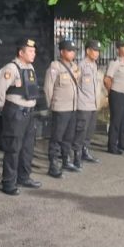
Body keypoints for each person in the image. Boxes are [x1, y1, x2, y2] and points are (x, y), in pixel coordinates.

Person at [0, 37, 42, 195]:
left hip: (29, 112)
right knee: (13, 148)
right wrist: (4, 109)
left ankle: (24, 177)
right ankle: (9, 182)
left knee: (27, 147)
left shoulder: (30, 68)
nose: (34, 54)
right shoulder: (11, 68)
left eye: (34, 51)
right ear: (21, 53)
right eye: (30, 51)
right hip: (15, 112)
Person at [44, 39, 81, 177]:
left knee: (69, 136)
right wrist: (52, 105)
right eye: (70, 51)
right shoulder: (55, 67)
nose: (73, 53)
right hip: (60, 108)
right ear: (62, 52)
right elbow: (48, 88)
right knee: (57, 138)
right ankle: (53, 165)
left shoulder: (74, 66)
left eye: (74, 51)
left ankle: (66, 160)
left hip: (72, 107)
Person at [73, 39, 102, 166]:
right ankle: (77, 155)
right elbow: (75, 84)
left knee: (89, 130)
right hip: (83, 104)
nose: (97, 53)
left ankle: (85, 151)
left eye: (98, 51)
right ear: (88, 51)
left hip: (93, 104)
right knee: (81, 131)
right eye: (94, 50)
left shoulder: (94, 65)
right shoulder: (81, 66)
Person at [104, 38, 124, 155]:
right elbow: (107, 80)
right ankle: (112, 145)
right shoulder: (115, 63)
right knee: (116, 121)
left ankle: (123, 143)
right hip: (117, 95)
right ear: (118, 49)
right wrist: (111, 92)